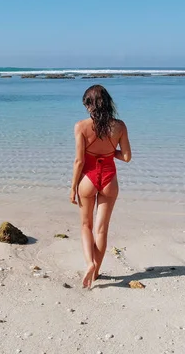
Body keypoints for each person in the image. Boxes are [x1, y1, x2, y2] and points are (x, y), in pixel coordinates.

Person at [70, 85, 131, 289]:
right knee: (102, 229)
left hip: (87, 179)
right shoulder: (120, 126)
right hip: (109, 178)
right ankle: (95, 273)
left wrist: (72, 187)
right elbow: (127, 157)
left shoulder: (81, 126)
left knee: (85, 225)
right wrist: (108, 152)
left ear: (89, 105)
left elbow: (79, 161)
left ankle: (89, 263)